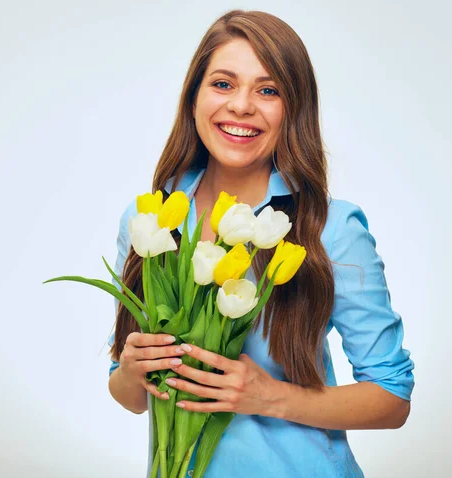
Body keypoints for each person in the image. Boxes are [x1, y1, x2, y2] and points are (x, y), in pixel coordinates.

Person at [107, 9, 414, 478]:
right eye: (223, 84)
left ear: (292, 109)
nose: (242, 106)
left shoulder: (328, 228)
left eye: (268, 90)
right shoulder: (150, 220)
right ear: (194, 98)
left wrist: (268, 396)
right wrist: (131, 370)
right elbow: (129, 397)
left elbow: (392, 399)